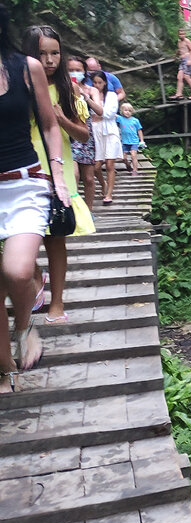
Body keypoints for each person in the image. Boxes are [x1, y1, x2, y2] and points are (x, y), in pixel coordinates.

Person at [0, 0, 70, 385]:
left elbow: (48, 124)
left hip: (25, 181)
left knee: (17, 269)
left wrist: (57, 174)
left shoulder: (25, 68)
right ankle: (5, 368)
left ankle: (25, 326)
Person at [23, 27, 95, 327]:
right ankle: (35, 280)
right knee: (24, 235)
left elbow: (83, 133)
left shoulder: (69, 90)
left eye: (55, 52)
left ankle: (57, 301)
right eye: (42, 53)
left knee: (55, 238)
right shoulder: (17, 86)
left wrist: (62, 119)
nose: (50, 60)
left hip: (59, 167)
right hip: (23, 165)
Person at [66, 55, 102, 212]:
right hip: (67, 132)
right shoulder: (62, 87)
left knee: (88, 177)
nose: (74, 73)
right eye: (70, 70)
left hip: (85, 133)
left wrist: (85, 97)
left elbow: (100, 111)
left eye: (77, 70)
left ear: (85, 71)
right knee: (73, 174)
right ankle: (72, 209)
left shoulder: (91, 89)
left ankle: (89, 210)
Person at [90, 72, 123, 205]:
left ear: (104, 83)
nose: (97, 85)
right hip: (96, 132)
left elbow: (110, 113)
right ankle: (103, 185)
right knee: (96, 167)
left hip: (110, 132)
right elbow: (89, 115)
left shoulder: (112, 95)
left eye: (100, 82)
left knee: (110, 164)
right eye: (95, 83)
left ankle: (109, 194)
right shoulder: (91, 96)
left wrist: (99, 114)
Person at [116, 103, 145, 176]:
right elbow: (112, 114)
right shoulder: (120, 118)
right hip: (124, 141)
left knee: (133, 155)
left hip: (134, 141)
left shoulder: (135, 120)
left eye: (129, 111)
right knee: (123, 158)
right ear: (122, 111)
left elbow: (139, 130)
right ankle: (128, 166)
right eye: (125, 110)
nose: (127, 112)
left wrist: (141, 140)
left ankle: (135, 170)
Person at [173, 30, 191, 100]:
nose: (182, 35)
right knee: (179, 77)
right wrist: (175, 56)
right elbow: (180, 50)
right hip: (182, 61)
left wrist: (190, 60)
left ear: (185, 34)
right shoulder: (179, 42)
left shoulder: (187, 41)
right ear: (178, 35)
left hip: (188, 59)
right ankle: (179, 94)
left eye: (183, 34)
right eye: (180, 34)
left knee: (187, 76)